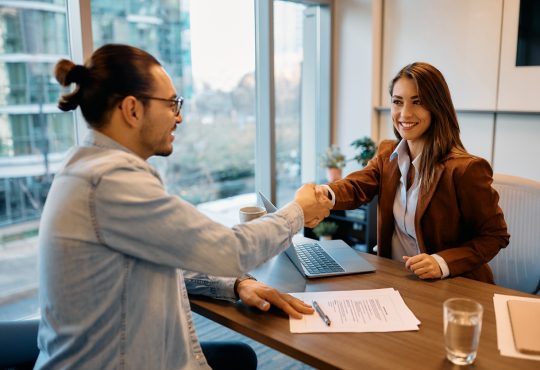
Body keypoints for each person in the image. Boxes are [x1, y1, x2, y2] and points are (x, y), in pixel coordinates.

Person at [35, 43, 332, 370]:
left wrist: (236, 283)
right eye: (172, 103)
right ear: (132, 109)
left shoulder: (87, 168)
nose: (180, 116)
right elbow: (231, 249)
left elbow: (166, 253)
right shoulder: (111, 181)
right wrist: (298, 211)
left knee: (239, 357)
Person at [316, 62, 509, 283]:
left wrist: (441, 262)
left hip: (454, 286)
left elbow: (495, 235)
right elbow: (356, 186)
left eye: (418, 102)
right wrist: (321, 194)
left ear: (437, 106)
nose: (405, 113)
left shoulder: (465, 169)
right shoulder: (388, 154)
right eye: (397, 102)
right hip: (399, 281)